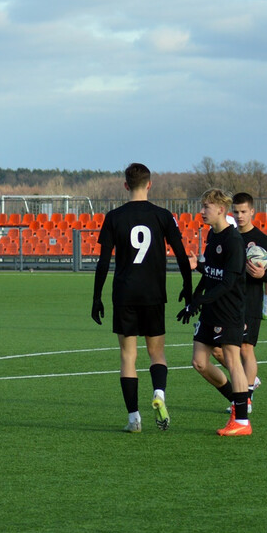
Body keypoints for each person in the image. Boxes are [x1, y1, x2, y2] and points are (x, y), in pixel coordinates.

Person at [91, 163, 192, 433]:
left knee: (128, 357)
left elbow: (103, 262)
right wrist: (188, 286)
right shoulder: (163, 215)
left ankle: (134, 418)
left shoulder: (114, 217)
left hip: (124, 294)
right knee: (157, 352)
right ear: (150, 184)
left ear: (126, 185)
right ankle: (159, 393)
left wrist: (96, 297)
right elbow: (182, 254)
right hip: (153, 293)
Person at [178, 189, 251, 436]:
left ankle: (242, 421)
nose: (202, 211)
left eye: (206, 206)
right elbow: (211, 273)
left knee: (232, 360)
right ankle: (236, 400)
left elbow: (228, 282)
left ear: (221, 209)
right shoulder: (212, 236)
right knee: (199, 362)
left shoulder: (233, 241)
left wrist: (200, 301)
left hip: (229, 311)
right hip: (211, 309)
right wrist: (195, 296)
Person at [212, 192, 267, 415]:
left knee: (246, 349)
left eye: (243, 212)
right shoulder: (229, 237)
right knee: (218, 350)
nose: (239, 216)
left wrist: (262, 274)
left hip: (250, 303)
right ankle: (249, 381)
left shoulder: (264, 241)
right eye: (236, 212)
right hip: (227, 304)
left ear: (252, 212)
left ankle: (245, 397)